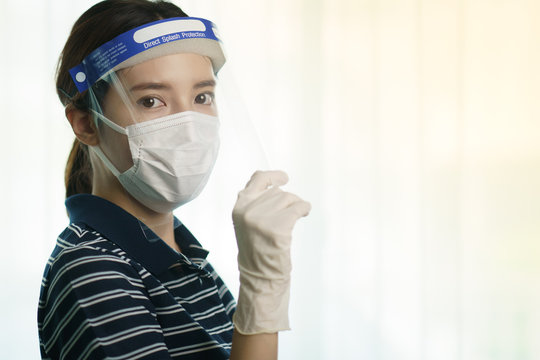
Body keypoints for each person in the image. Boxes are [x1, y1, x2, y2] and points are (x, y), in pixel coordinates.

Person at [37, 0, 311, 359]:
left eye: (202, 97)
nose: (189, 127)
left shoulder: (186, 257)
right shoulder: (93, 267)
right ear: (87, 123)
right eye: (152, 100)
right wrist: (261, 291)